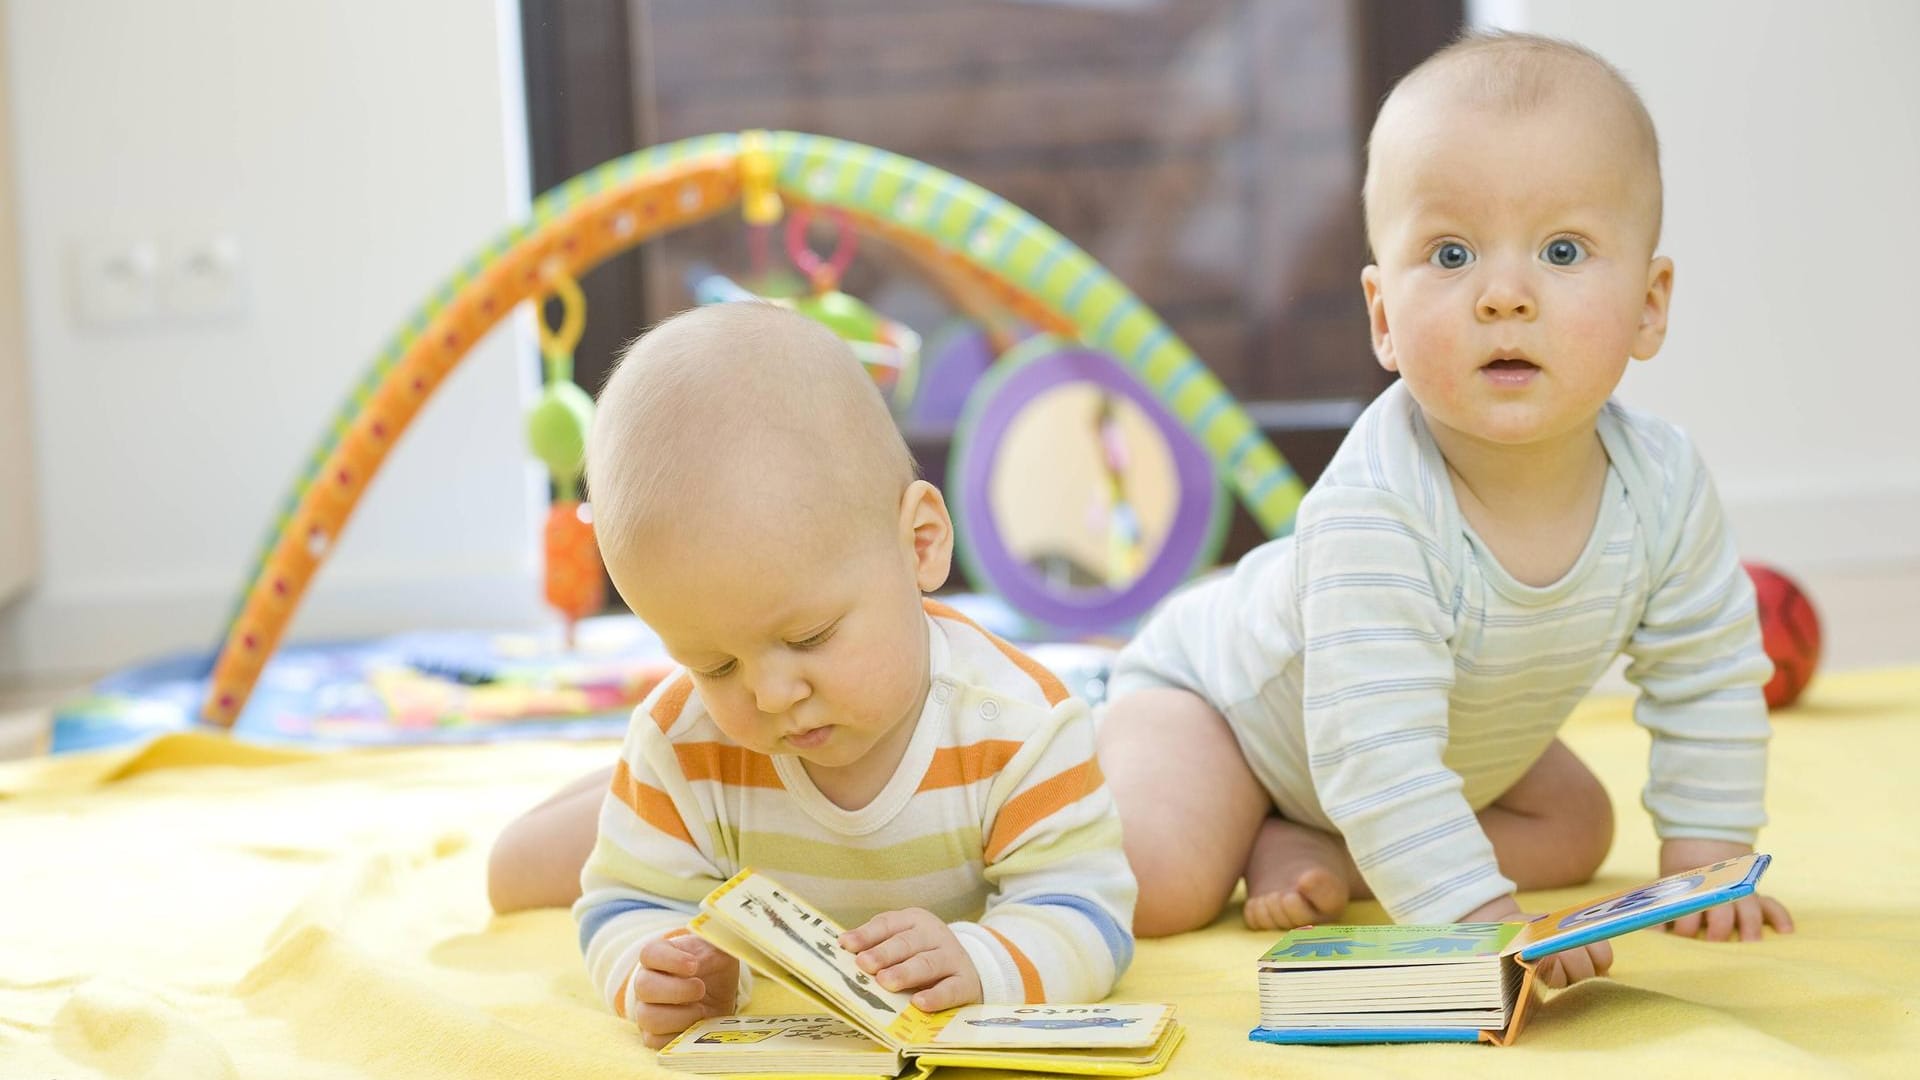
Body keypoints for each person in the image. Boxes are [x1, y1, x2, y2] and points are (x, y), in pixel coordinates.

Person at [1096, 31, 1793, 988]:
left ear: (1649, 304)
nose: (1504, 296)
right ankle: (1183, 784)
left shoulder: (1663, 486)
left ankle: (1319, 853)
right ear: (1384, 317)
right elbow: (1374, 753)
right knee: (1161, 884)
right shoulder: (1379, 507)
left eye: (1562, 250)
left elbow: (1707, 670)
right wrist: (1478, 917)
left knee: (1579, 830)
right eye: (1451, 253)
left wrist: (1707, 862)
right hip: (1223, 712)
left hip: (1432, 745)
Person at [516, 302, 1135, 1047]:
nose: (773, 694)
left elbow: (1086, 906)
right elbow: (625, 902)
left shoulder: (1021, 726)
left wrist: (985, 959)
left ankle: (615, 799)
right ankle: (604, 799)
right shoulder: (686, 738)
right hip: (694, 800)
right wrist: (659, 968)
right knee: (513, 872)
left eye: (809, 637)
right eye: (714, 663)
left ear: (920, 545)